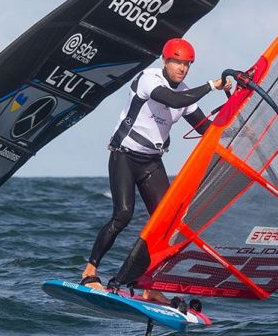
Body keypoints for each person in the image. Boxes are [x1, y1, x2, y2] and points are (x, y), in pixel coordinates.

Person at [81, 38, 231, 299]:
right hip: (124, 156)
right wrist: (211, 86)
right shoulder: (148, 79)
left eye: (187, 64)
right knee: (123, 215)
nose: (182, 69)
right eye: (177, 63)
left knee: (166, 224)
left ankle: (150, 287)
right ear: (165, 60)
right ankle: (89, 272)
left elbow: (204, 127)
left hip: (151, 163)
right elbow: (171, 100)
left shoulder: (185, 93)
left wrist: (236, 127)